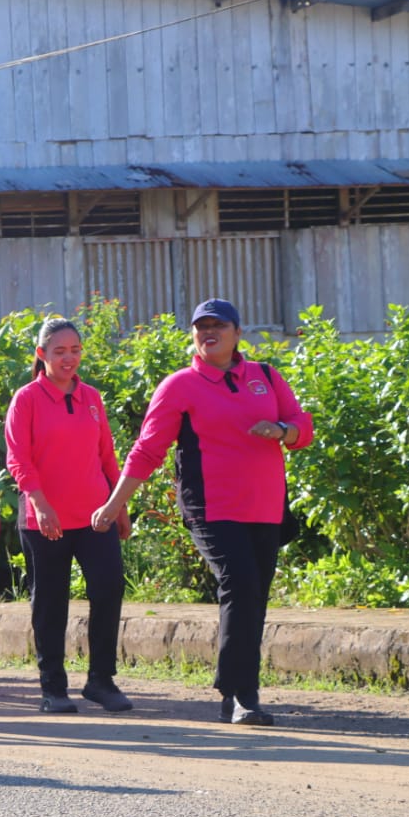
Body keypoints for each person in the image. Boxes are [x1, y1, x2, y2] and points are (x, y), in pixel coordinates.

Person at [92, 299, 313, 726]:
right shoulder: (179, 386)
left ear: (237, 332)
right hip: (211, 507)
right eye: (201, 326)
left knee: (254, 595)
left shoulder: (265, 376)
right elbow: (147, 451)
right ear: (193, 334)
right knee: (240, 583)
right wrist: (114, 503)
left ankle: (239, 689)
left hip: (265, 507)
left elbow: (302, 424)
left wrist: (283, 430)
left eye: (218, 325)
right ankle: (238, 696)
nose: (208, 332)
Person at [5, 318, 134, 714]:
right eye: (59, 351)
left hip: (96, 516)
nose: (69, 358)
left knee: (109, 589)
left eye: (75, 350)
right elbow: (18, 459)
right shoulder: (26, 398)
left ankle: (101, 681)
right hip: (46, 521)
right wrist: (41, 506)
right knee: (50, 601)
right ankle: (53, 687)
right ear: (41, 354)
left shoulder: (91, 398)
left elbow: (107, 457)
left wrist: (120, 507)